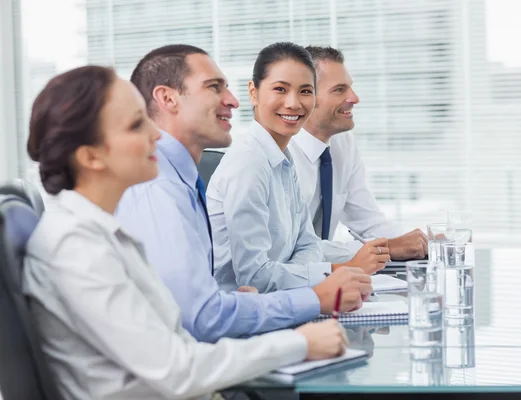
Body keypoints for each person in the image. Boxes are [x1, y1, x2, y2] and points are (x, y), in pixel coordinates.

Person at [22, 65, 348, 400]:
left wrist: (239, 306)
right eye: (136, 125)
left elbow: (172, 333)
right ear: (91, 156)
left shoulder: (101, 230)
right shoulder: (77, 247)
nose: (156, 134)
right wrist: (299, 343)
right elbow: (175, 370)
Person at [115, 44, 372, 343]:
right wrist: (315, 297)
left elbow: (308, 245)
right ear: (167, 98)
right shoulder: (160, 187)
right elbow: (203, 318)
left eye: (305, 91)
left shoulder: (186, 179)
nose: (232, 101)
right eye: (214, 87)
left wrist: (259, 298)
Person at [207, 42, 389, 294]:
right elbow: (255, 277)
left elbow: (308, 245)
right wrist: (336, 272)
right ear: (253, 92)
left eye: (305, 91)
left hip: (281, 300)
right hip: (243, 315)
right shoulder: (248, 163)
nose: (293, 103)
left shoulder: (282, 157)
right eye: (280, 89)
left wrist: (294, 271)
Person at [287, 46, 428, 264]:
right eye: (339, 90)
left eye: (350, 87)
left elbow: (368, 221)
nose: (354, 98)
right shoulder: (280, 155)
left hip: (326, 278)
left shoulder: (341, 143)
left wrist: (418, 244)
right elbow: (291, 250)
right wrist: (385, 249)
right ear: (306, 98)